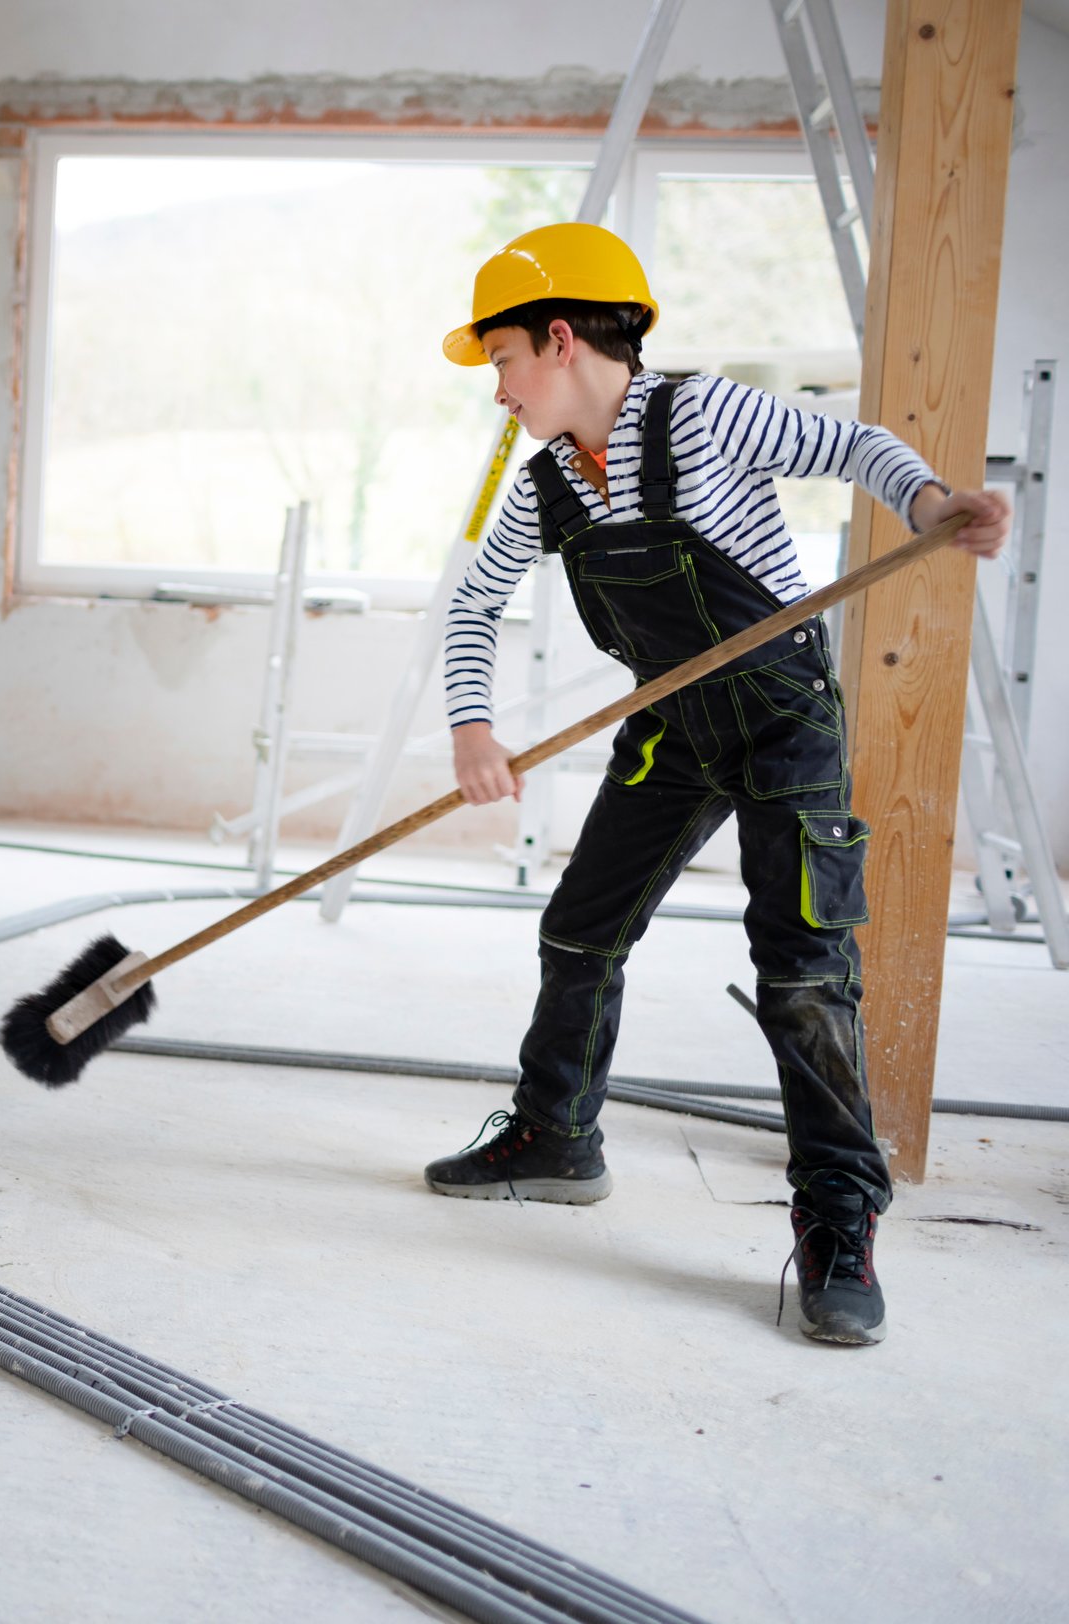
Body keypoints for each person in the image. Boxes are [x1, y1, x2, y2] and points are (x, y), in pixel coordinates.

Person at [420, 222, 1011, 1346]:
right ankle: (556, 1135)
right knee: (579, 927)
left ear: (559, 339)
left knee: (803, 972)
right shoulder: (554, 481)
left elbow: (864, 447)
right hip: (672, 722)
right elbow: (472, 600)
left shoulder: (704, 414)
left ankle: (838, 1216)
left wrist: (933, 507)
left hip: (784, 718)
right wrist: (472, 728)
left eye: (499, 359)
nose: (497, 391)